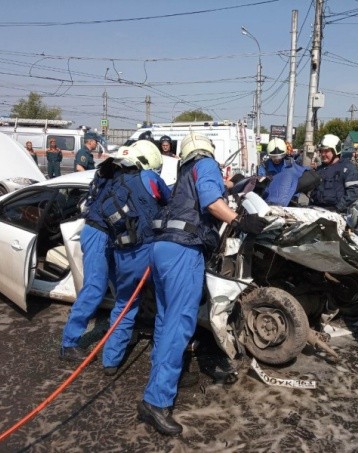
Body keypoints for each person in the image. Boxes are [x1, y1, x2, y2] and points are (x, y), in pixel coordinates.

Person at [138, 133, 267, 436]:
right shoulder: (205, 163)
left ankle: (164, 376)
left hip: (162, 249)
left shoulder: (184, 172)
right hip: (183, 251)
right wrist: (239, 220)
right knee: (180, 323)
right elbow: (212, 202)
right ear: (207, 151)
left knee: (165, 319)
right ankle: (155, 401)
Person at [101, 141, 171, 376]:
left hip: (124, 254)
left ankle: (110, 360)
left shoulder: (113, 182)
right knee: (165, 307)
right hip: (151, 251)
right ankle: (160, 362)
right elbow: (168, 201)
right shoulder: (149, 178)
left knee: (124, 305)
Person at [59, 151, 117, 362]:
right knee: (94, 288)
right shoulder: (114, 175)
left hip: (108, 234)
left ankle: (121, 330)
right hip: (98, 233)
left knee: (121, 285)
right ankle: (69, 343)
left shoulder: (109, 173)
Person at [309, 134, 358, 213]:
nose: (323, 154)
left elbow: (353, 193)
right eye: (321, 151)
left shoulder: (348, 168)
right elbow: (313, 192)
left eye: (326, 151)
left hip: (338, 214)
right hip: (317, 211)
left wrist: (337, 209)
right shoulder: (319, 169)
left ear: (336, 150)